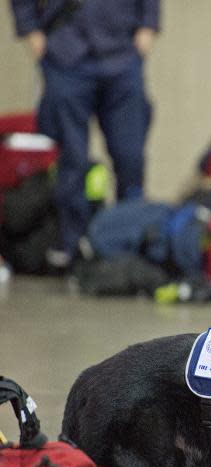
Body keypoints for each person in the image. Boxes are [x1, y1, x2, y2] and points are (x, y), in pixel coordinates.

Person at [10, 0, 160, 269]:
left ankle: (129, 241)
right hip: (65, 54)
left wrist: (149, 23)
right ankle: (72, 247)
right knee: (72, 160)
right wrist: (30, 31)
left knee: (130, 157)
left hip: (122, 52)